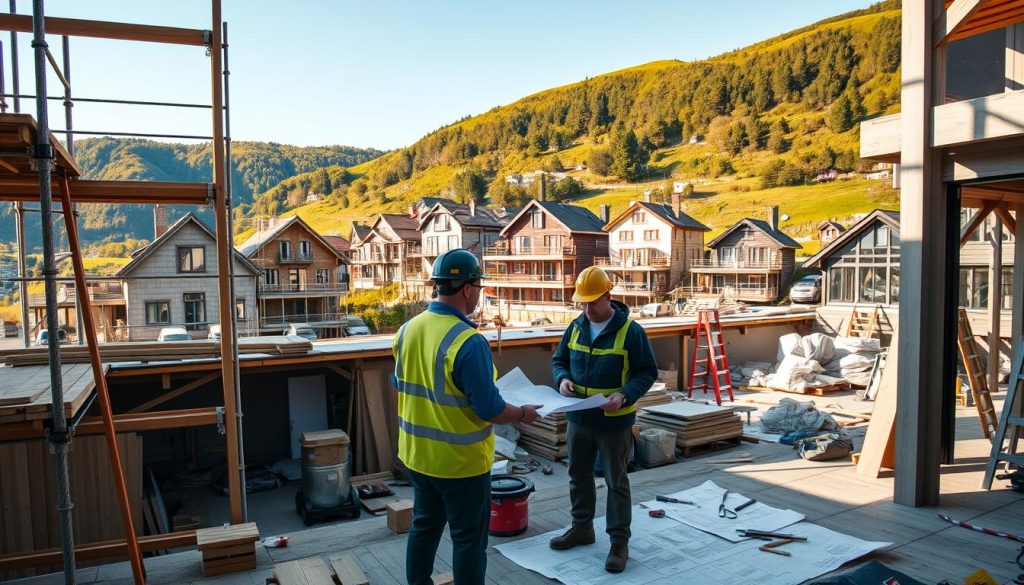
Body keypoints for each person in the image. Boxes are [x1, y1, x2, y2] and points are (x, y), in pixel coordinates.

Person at [393, 248, 542, 585]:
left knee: (424, 526)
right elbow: (490, 409)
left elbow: (401, 383)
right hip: (460, 464)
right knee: (468, 541)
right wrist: (522, 413)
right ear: (467, 288)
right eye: (479, 287)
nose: (479, 295)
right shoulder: (468, 342)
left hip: (417, 457)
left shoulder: (408, 330)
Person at [549, 266, 658, 573]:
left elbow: (647, 372)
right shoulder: (575, 326)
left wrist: (624, 395)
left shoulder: (630, 331)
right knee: (578, 476)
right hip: (580, 419)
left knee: (616, 482)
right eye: (582, 303)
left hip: (614, 423)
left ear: (609, 296)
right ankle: (582, 528)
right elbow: (559, 361)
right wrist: (562, 380)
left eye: (593, 303)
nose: (587, 309)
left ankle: (619, 542)